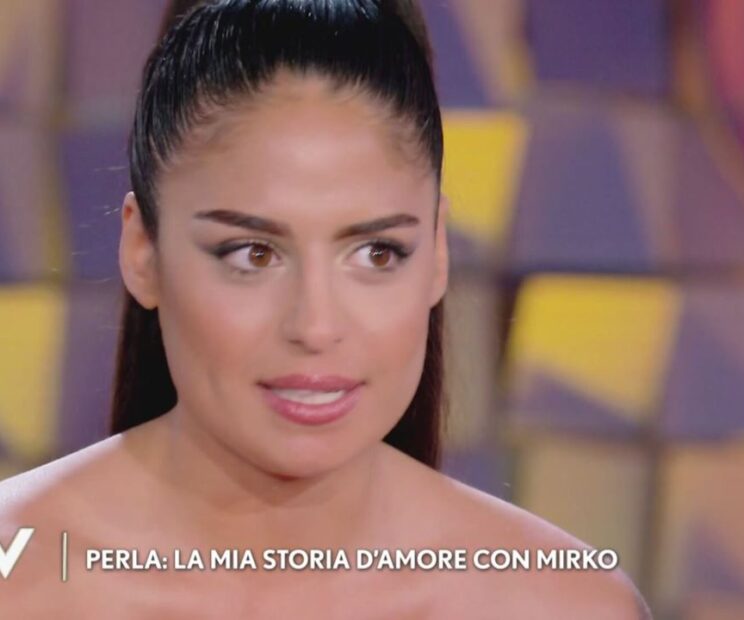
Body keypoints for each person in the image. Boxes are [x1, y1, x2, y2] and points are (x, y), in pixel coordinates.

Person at [0, 1, 651, 617]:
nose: (316, 326)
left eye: (376, 253)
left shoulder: (564, 604)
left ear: (437, 253)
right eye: (253, 254)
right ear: (143, 253)